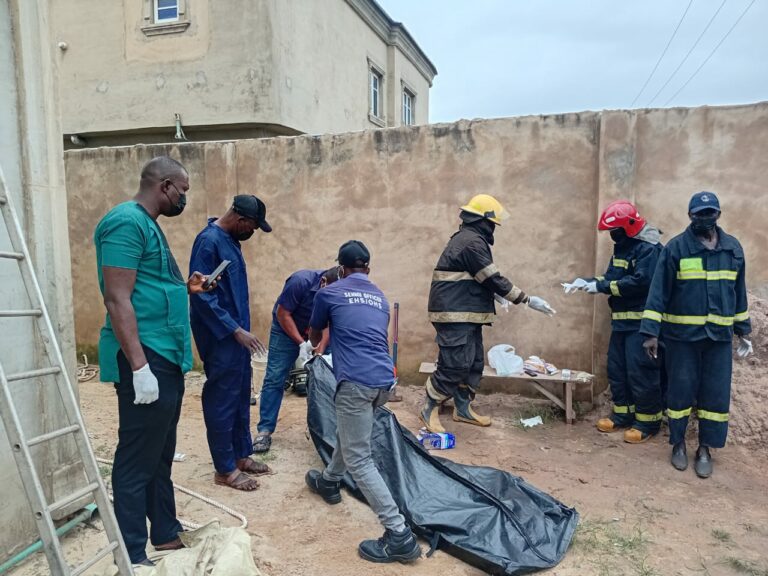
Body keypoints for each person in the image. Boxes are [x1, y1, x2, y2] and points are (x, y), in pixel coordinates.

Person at [95, 156, 216, 566]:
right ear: (165, 186)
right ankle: (130, 554)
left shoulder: (148, 225)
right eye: (183, 191)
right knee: (135, 458)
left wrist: (187, 289)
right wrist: (139, 367)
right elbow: (117, 298)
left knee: (160, 453)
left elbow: (149, 286)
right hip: (145, 356)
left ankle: (164, 532)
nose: (184, 199)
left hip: (165, 354)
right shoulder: (125, 223)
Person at [304, 240, 422, 564]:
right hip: (384, 380)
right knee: (349, 435)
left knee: (359, 459)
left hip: (356, 382)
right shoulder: (380, 298)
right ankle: (329, 481)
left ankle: (399, 535)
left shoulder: (329, 292)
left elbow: (316, 335)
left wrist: (315, 344)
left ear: (341, 269)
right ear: (368, 268)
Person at [421, 194, 555, 433]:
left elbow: (477, 277)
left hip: (467, 314)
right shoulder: (471, 242)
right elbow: (491, 277)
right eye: (493, 222)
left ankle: (463, 409)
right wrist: (526, 299)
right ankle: (429, 407)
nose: (494, 227)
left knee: (473, 363)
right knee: (455, 364)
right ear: (483, 220)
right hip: (455, 314)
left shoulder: (469, 239)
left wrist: (494, 295)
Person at [640, 191, 752, 478]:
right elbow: (658, 292)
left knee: (715, 396)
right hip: (682, 339)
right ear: (690, 216)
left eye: (710, 213)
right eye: (699, 214)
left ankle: (705, 448)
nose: (705, 218)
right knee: (680, 392)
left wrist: (743, 330)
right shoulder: (676, 249)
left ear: (718, 215)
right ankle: (678, 444)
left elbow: (738, 293)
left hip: (719, 340)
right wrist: (651, 332)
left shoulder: (732, 249)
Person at [189, 195, 273, 491]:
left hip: (237, 337)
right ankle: (224, 469)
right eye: (252, 226)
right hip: (220, 336)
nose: (253, 232)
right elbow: (200, 294)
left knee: (239, 396)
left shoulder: (231, 242)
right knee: (222, 400)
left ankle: (240, 455)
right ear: (240, 219)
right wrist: (234, 330)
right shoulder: (208, 242)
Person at [564, 200, 664, 443]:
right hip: (621, 324)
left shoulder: (648, 249)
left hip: (641, 324)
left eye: (614, 230)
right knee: (617, 370)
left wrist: (602, 287)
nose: (612, 235)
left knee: (641, 373)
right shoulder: (623, 248)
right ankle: (622, 415)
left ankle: (647, 423)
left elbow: (641, 283)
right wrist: (588, 282)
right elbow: (611, 277)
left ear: (628, 226)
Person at [253, 266, 340, 453]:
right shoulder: (300, 282)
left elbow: (329, 324)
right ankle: (264, 430)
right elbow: (282, 314)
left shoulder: (338, 292)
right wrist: (301, 344)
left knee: (326, 377)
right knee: (275, 377)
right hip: (285, 329)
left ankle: (327, 432)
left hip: (317, 330)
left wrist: (319, 352)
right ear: (323, 282)